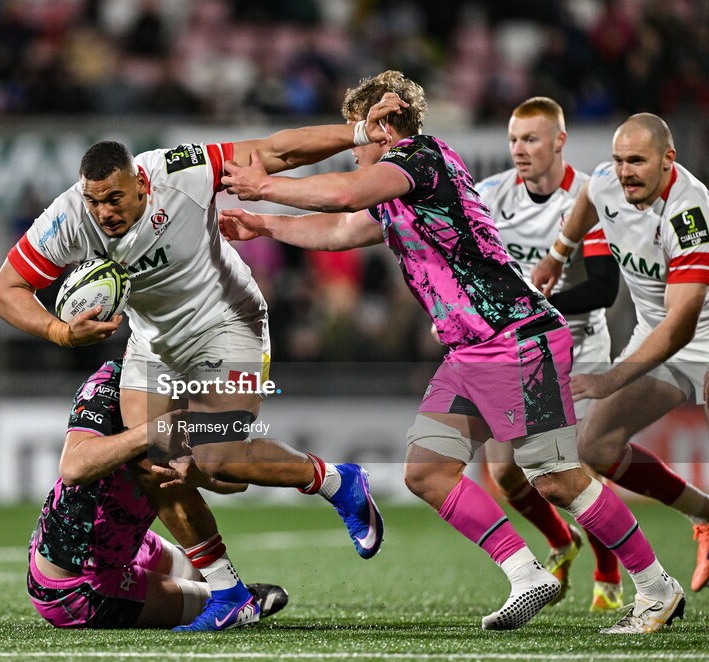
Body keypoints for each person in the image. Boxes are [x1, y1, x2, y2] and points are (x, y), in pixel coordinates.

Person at [218, 70, 684, 634]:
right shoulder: (397, 192)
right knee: (428, 472)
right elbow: (342, 227)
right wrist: (264, 225)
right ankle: (525, 573)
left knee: (556, 475)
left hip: (518, 336)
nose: (351, 142)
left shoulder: (422, 157)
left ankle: (657, 587)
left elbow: (343, 193)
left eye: (357, 131)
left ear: (385, 125)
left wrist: (264, 186)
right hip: (472, 350)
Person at [0, 118, 398, 628]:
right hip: (154, 344)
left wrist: (358, 133)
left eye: (114, 198)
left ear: (140, 183)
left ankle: (338, 481)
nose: (104, 213)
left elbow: (276, 151)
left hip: (232, 320)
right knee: (155, 463)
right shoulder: (68, 218)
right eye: (95, 202)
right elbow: (4, 291)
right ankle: (229, 593)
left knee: (218, 456)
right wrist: (60, 332)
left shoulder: (180, 171)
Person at [533, 112, 709, 595]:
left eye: (638, 161)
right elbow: (590, 196)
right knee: (597, 447)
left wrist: (610, 379)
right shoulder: (609, 182)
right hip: (660, 334)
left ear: (669, 160)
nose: (626, 171)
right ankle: (706, 516)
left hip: (696, 333)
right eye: (619, 160)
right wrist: (559, 251)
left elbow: (683, 324)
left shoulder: (689, 214)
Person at [475, 96, 623, 612]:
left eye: (531, 139)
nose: (519, 149)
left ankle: (608, 570)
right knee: (504, 471)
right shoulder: (490, 196)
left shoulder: (589, 196)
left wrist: (534, 304)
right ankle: (561, 540)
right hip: (519, 350)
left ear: (559, 141)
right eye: (513, 139)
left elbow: (604, 288)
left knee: (578, 467)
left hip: (580, 347)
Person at [28, 358, 289, 629]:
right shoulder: (114, 380)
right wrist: (151, 433)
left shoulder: (206, 392)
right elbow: (73, 467)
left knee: (229, 588)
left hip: (132, 544)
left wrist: (202, 475)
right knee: (240, 603)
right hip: (77, 584)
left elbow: (236, 479)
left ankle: (231, 595)